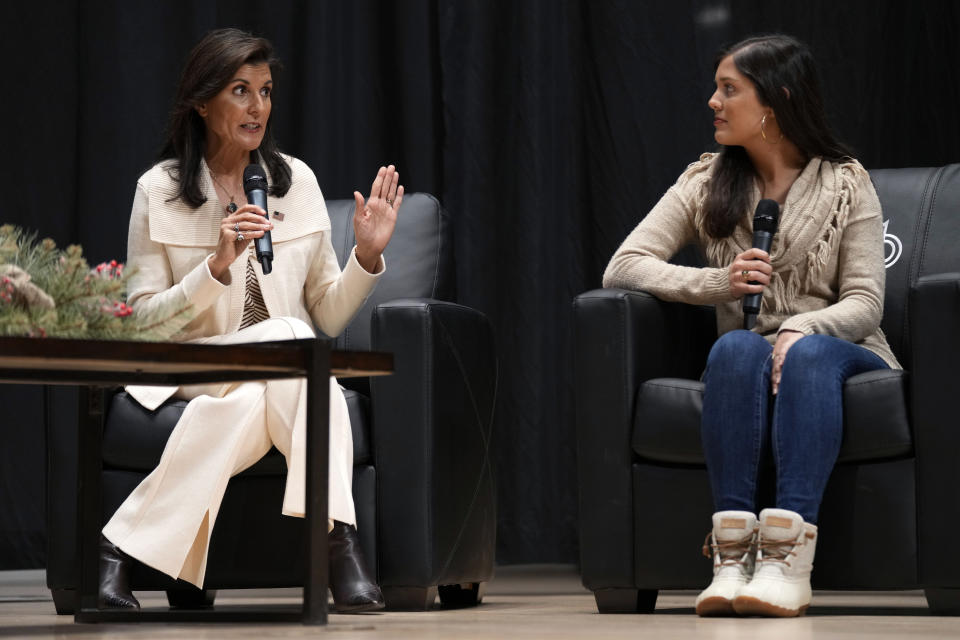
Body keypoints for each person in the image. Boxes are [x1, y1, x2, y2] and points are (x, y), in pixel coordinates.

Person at [98, 28, 402, 613]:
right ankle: (340, 543)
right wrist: (213, 268)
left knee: (276, 370)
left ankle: (117, 548)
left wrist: (365, 256)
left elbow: (329, 313)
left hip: (277, 375)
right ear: (202, 102)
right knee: (297, 345)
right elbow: (140, 325)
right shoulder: (158, 191)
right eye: (241, 90)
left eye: (265, 91)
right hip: (190, 364)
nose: (258, 106)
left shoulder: (297, 181)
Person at [603, 34, 899, 618]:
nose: (713, 101)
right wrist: (720, 285)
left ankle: (788, 563)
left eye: (729, 89)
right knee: (737, 347)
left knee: (806, 355)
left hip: (842, 349)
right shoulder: (707, 179)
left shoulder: (846, 182)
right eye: (717, 88)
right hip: (752, 351)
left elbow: (866, 301)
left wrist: (804, 329)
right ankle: (732, 560)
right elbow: (624, 266)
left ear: (776, 102)